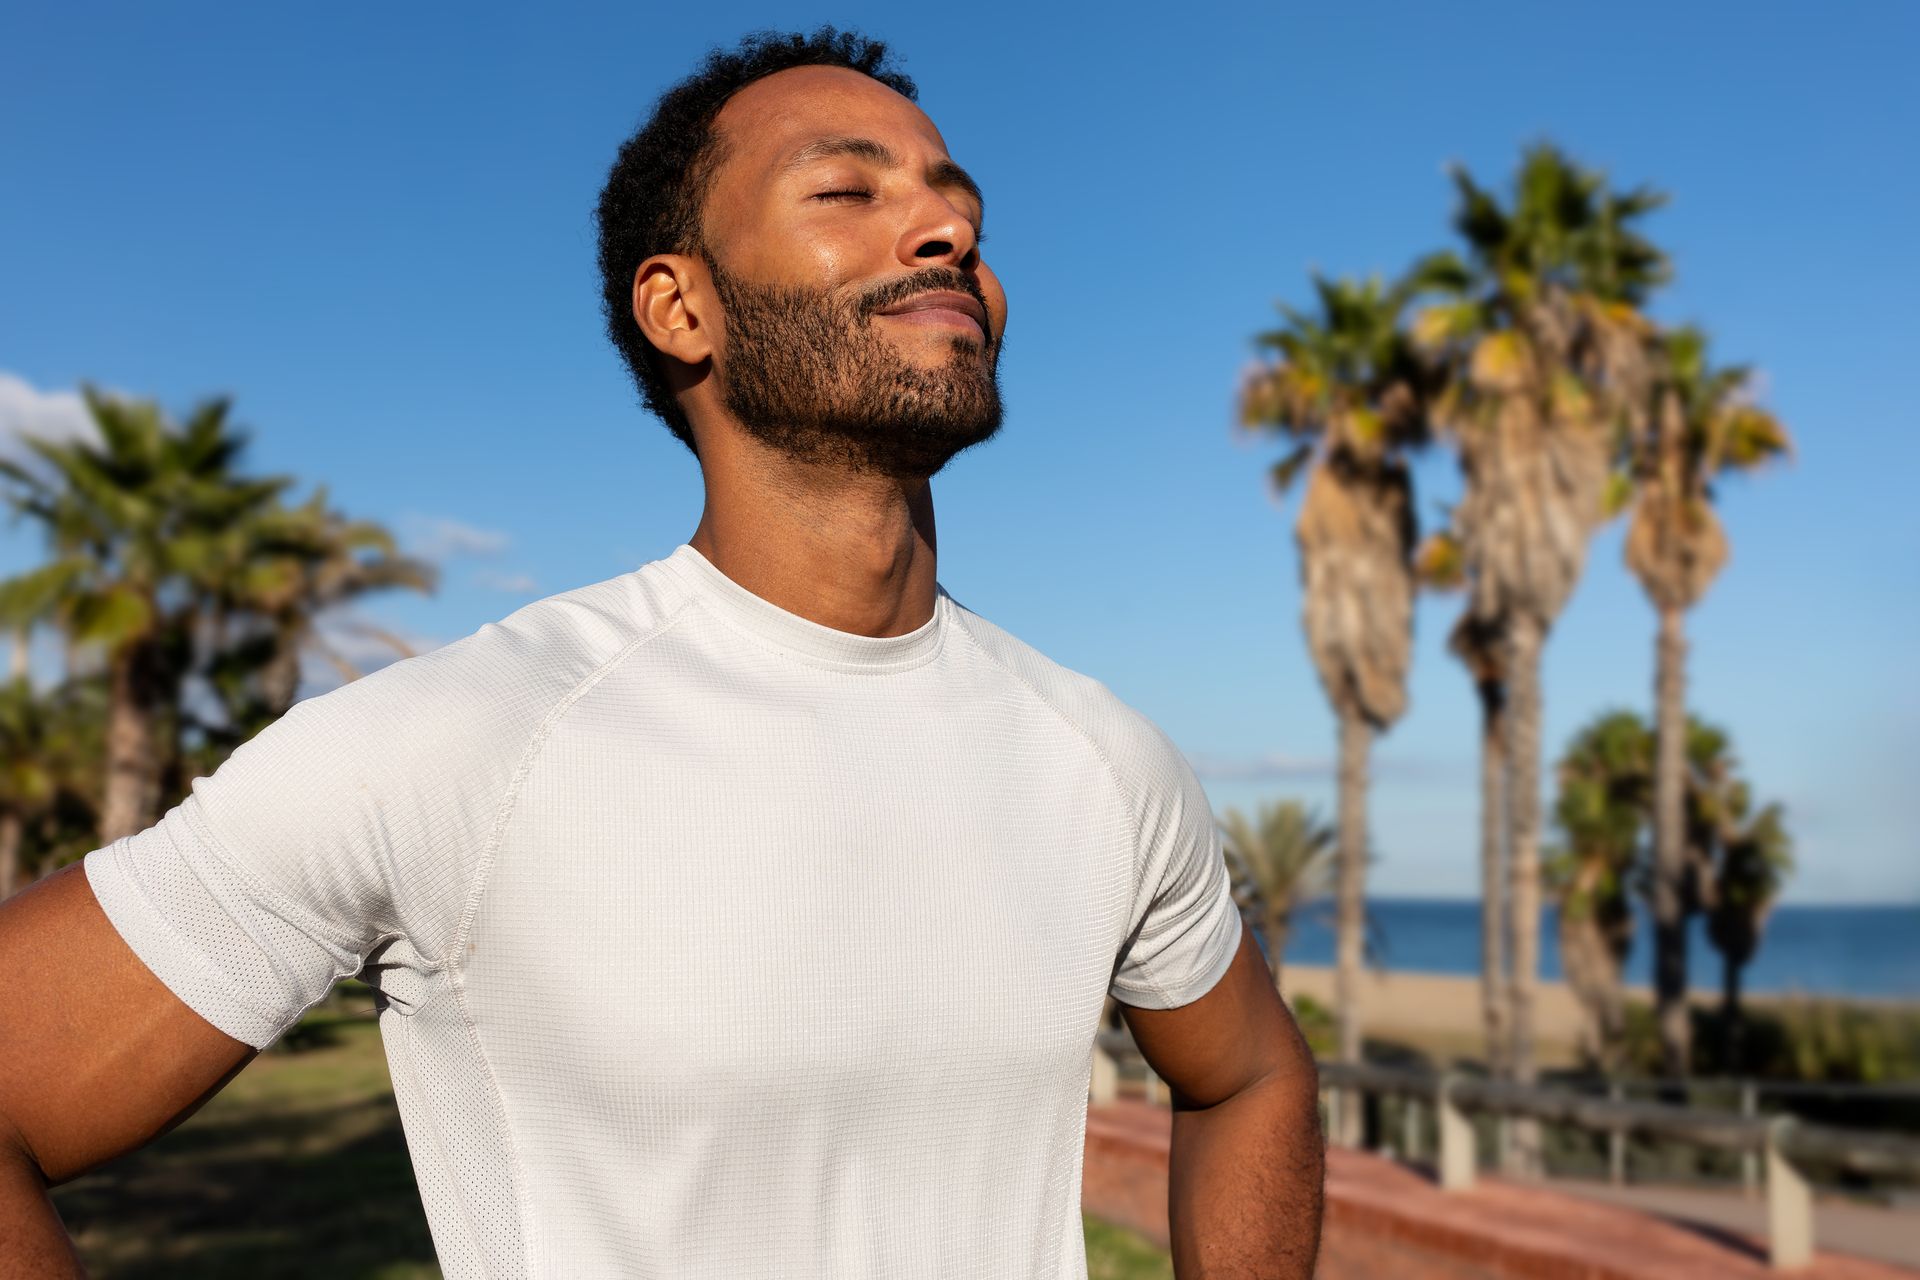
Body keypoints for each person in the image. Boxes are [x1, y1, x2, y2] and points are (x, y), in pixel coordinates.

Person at [0, 27, 1323, 1278]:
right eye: (845, 192)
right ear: (681, 308)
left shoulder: (1100, 759)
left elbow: (1251, 1073)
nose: (950, 230)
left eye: (954, 197)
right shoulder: (467, 742)